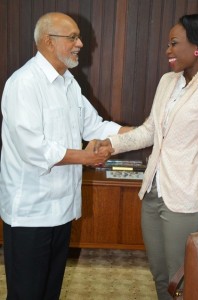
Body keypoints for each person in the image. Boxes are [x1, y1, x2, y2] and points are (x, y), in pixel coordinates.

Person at [94, 14, 198, 300]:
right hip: (153, 193)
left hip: (186, 199)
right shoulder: (168, 81)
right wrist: (111, 144)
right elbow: (150, 130)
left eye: (174, 43)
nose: (167, 50)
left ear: (197, 47)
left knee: (183, 278)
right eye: (167, 43)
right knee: (160, 275)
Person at [0, 12, 130, 300]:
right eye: (72, 37)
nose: (80, 43)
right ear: (48, 41)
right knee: (26, 294)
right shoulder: (24, 83)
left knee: (49, 292)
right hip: (30, 214)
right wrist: (85, 158)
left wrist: (145, 132)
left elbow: (95, 126)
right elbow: (32, 147)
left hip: (62, 210)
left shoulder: (69, 83)